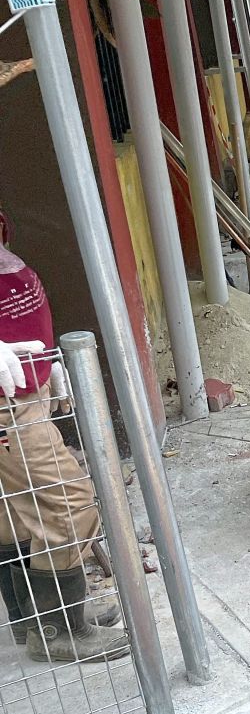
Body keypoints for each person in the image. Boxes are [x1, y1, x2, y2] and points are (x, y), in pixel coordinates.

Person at [0, 211, 128, 662]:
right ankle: (58, 631)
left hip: (19, 383)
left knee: (17, 509)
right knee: (67, 503)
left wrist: (44, 361)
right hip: (4, 403)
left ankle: (32, 620)